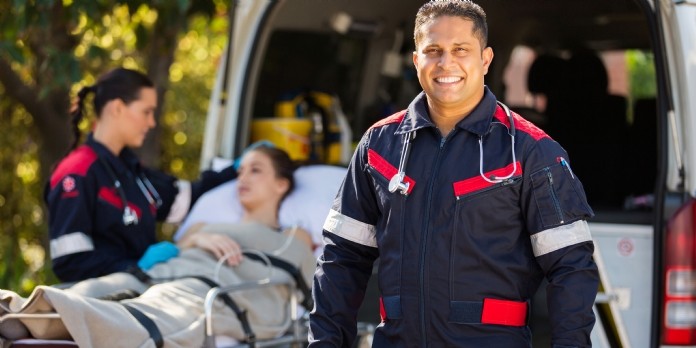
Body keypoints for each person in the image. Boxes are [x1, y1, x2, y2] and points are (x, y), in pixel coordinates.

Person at [308, 1, 599, 347]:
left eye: (461, 50)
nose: (446, 63)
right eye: (433, 50)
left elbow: (571, 268)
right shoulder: (379, 145)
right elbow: (342, 258)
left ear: (485, 59)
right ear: (417, 60)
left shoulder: (530, 151)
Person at [1, 146, 315, 347]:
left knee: (160, 305)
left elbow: (309, 278)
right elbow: (181, 247)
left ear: (281, 184)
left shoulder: (293, 235)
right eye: (241, 170)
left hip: (201, 289)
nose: (243, 177)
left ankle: (44, 324)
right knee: (96, 288)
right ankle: (21, 311)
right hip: (156, 274)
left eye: (256, 170)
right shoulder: (204, 226)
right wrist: (198, 239)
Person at [44, 68, 236, 282]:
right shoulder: (77, 172)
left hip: (139, 296)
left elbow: (187, 197)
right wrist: (132, 267)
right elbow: (70, 263)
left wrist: (238, 168)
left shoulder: (132, 172)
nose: (152, 122)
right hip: (100, 305)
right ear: (117, 108)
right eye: (146, 112)